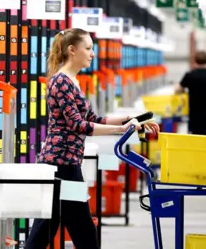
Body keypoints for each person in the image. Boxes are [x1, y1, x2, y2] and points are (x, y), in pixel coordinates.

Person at [26, 28, 160, 249]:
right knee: (78, 229)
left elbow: (93, 118)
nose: (92, 53)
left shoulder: (73, 81)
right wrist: (124, 129)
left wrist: (131, 119)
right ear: (71, 50)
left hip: (67, 164)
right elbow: (78, 125)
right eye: (87, 48)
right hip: (60, 165)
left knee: (50, 227)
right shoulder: (61, 82)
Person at [175, 50, 206, 136]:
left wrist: (184, 91)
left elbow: (178, 90)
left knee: (196, 141)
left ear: (195, 60)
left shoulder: (190, 75)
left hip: (195, 116)